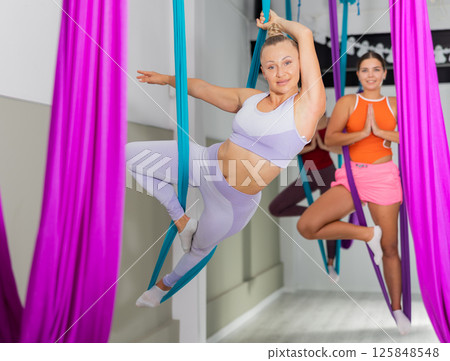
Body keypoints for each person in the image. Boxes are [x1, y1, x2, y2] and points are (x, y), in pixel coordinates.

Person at [126, 10, 326, 307]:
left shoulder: (307, 108)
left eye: (287, 63)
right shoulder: (251, 98)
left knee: (198, 249)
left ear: (300, 64)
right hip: (204, 163)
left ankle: (162, 287)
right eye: (271, 66)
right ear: (262, 69)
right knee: (129, 156)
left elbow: (305, 35)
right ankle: (181, 219)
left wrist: (278, 24)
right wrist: (168, 79)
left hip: (232, 202)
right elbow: (206, 90)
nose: (280, 72)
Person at [297, 51, 410, 335]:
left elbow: (414, 138)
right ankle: (366, 234)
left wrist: (381, 133)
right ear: (358, 75)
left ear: (385, 74)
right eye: (364, 70)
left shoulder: (395, 104)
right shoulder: (348, 102)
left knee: (390, 249)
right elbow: (332, 140)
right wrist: (361, 134)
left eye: (376, 69)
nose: (370, 75)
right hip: (351, 176)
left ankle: (397, 310)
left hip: (384, 177)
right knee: (307, 226)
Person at [268, 114, 342, 281]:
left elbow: (342, 149)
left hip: (328, 172)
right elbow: (291, 151)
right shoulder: (301, 122)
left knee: (331, 220)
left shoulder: (331, 122)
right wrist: (312, 147)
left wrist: (323, 145)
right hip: (308, 174)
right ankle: (316, 213)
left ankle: (331, 263)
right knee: (276, 207)